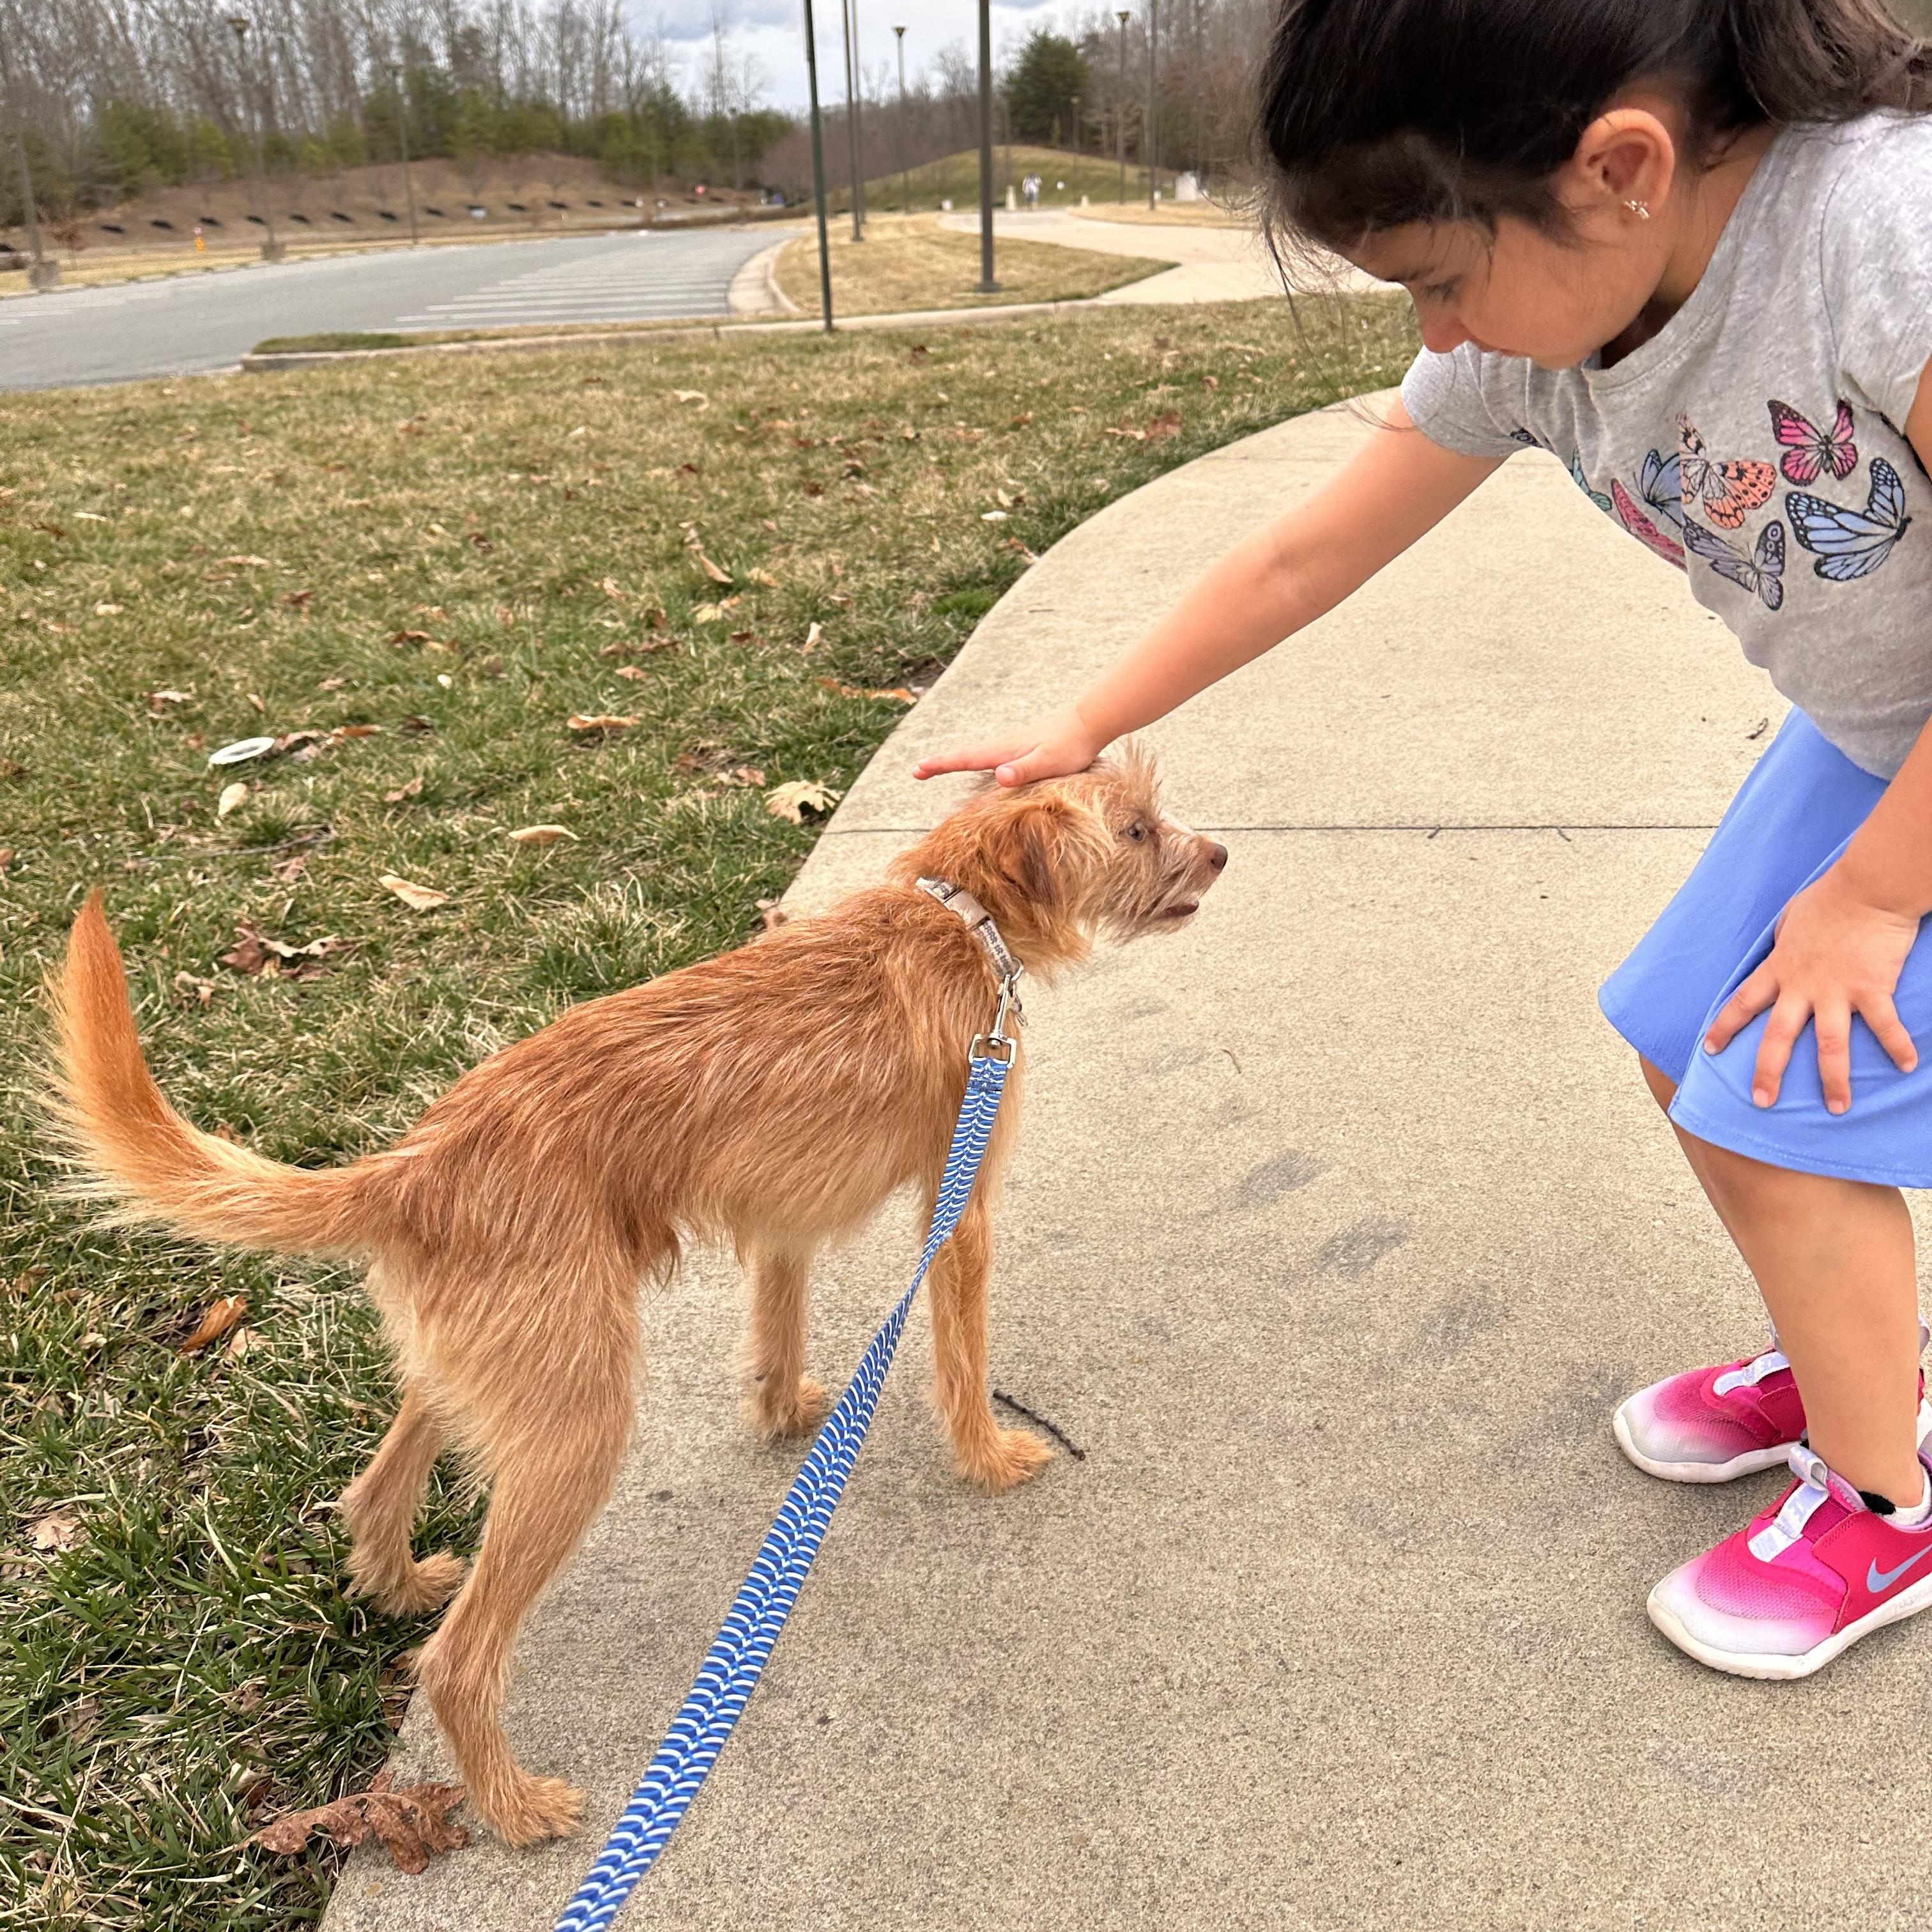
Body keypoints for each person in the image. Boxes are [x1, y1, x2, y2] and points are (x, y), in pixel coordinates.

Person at [914, 0, 1932, 1680]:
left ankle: (1891, 1506)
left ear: (1617, 168)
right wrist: (1084, 725)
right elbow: (1308, 557)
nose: (1438, 329)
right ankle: (1854, 1360)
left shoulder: (1880, 237)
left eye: (1436, 282)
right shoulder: (1538, 325)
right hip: (1883, 732)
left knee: (1784, 1098)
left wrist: (1874, 900)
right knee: (1683, 1030)